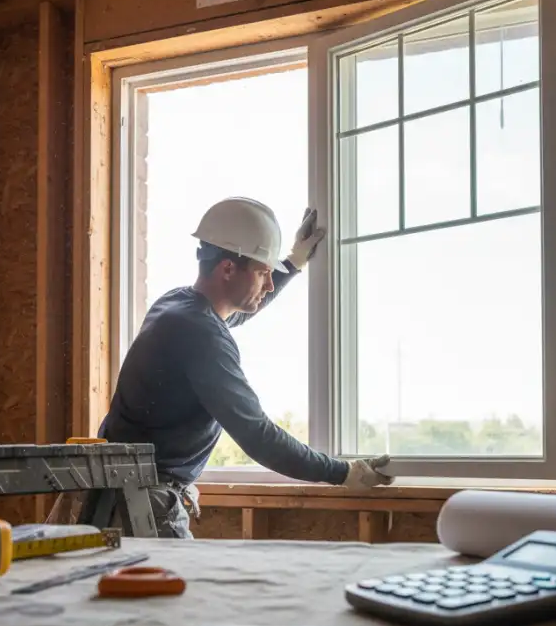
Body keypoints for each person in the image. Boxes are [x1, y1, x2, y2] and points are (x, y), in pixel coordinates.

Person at [97, 196, 394, 538]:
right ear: (227, 269)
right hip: (142, 502)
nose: (269, 284)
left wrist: (293, 262)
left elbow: (242, 309)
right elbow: (258, 436)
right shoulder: (200, 333)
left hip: (124, 490)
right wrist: (345, 473)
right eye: (263, 272)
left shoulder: (179, 305)